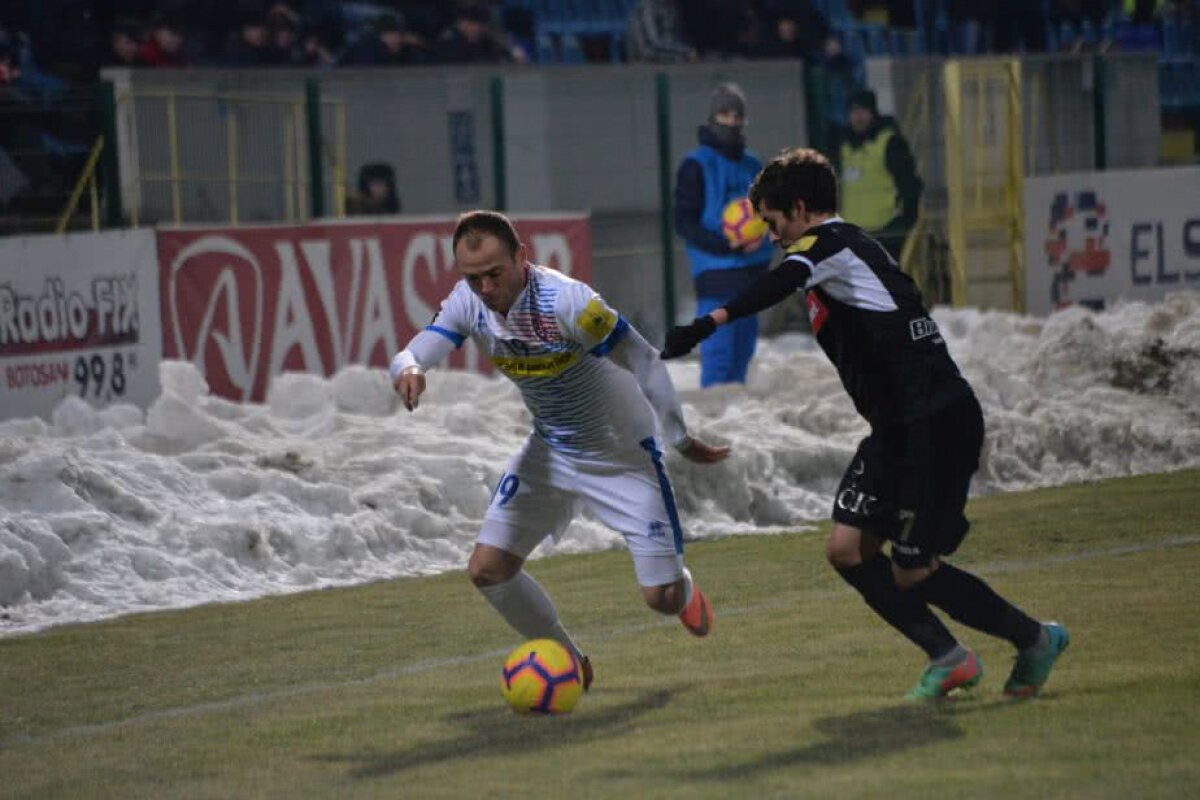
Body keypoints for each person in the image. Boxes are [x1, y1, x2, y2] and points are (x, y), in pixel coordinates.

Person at [661, 148, 1070, 700]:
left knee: (913, 568)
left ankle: (1034, 640)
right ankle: (949, 657)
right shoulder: (844, 253)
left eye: (774, 222)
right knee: (847, 549)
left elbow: (780, 281)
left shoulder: (828, 246)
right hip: (898, 429)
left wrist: (707, 323)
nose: (772, 235)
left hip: (936, 424)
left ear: (800, 209)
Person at [390, 210, 729, 689]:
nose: (485, 288)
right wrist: (409, 370)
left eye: (494, 274)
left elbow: (645, 360)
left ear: (520, 258)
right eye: (473, 277)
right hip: (550, 450)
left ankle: (685, 591)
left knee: (661, 598)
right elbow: (412, 351)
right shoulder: (467, 303)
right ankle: (570, 663)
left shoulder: (569, 303)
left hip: (621, 456)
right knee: (487, 571)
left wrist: (680, 438)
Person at [674, 82, 773, 388]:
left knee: (743, 350)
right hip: (716, 270)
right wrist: (726, 244)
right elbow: (684, 222)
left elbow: (769, 211)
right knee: (719, 352)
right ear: (713, 116)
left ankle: (735, 418)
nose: (731, 121)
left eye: (737, 115)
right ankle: (713, 415)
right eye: (724, 113)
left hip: (753, 269)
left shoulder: (753, 164)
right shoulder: (696, 164)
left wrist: (766, 233)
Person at [830, 88, 922, 263]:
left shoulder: (890, 144)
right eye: (853, 111)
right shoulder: (844, 146)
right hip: (853, 235)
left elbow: (911, 186)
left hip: (885, 233)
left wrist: (902, 226)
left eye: (863, 111)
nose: (858, 117)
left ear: (873, 112)